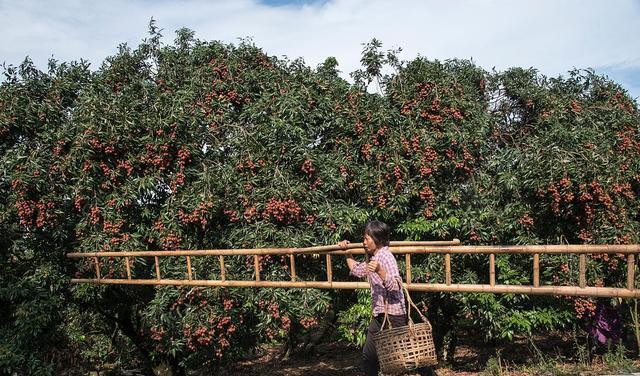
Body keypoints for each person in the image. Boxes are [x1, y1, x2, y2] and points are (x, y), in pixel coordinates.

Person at [339, 220, 435, 376]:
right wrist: (347, 251)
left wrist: (380, 270)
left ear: (376, 239)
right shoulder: (374, 258)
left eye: (366, 239)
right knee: (369, 356)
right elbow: (357, 270)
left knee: (411, 356)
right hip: (379, 316)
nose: (364, 243)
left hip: (394, 315)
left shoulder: (386, 257)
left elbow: (396, 285)